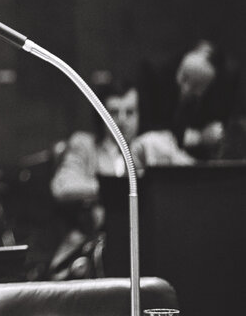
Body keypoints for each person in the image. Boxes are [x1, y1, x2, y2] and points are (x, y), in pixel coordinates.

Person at [48, 78, 194, 279]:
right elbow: (62, 186)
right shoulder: (85, 145)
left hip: (147, 247)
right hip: (93, 252)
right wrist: (115, 188)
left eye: (130, 112)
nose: (122, 120)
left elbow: (193, 178)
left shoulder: (152, 144)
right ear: (101, 116)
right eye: (114, 113)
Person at [139, 40, 246, 161]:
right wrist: (199, 137)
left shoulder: (224, 87)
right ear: (180, 65)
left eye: (196, 85)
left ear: (209, 84)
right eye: (184, 78)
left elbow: (230, 132)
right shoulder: (156, 73)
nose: (185, 89)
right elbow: (146, 128)